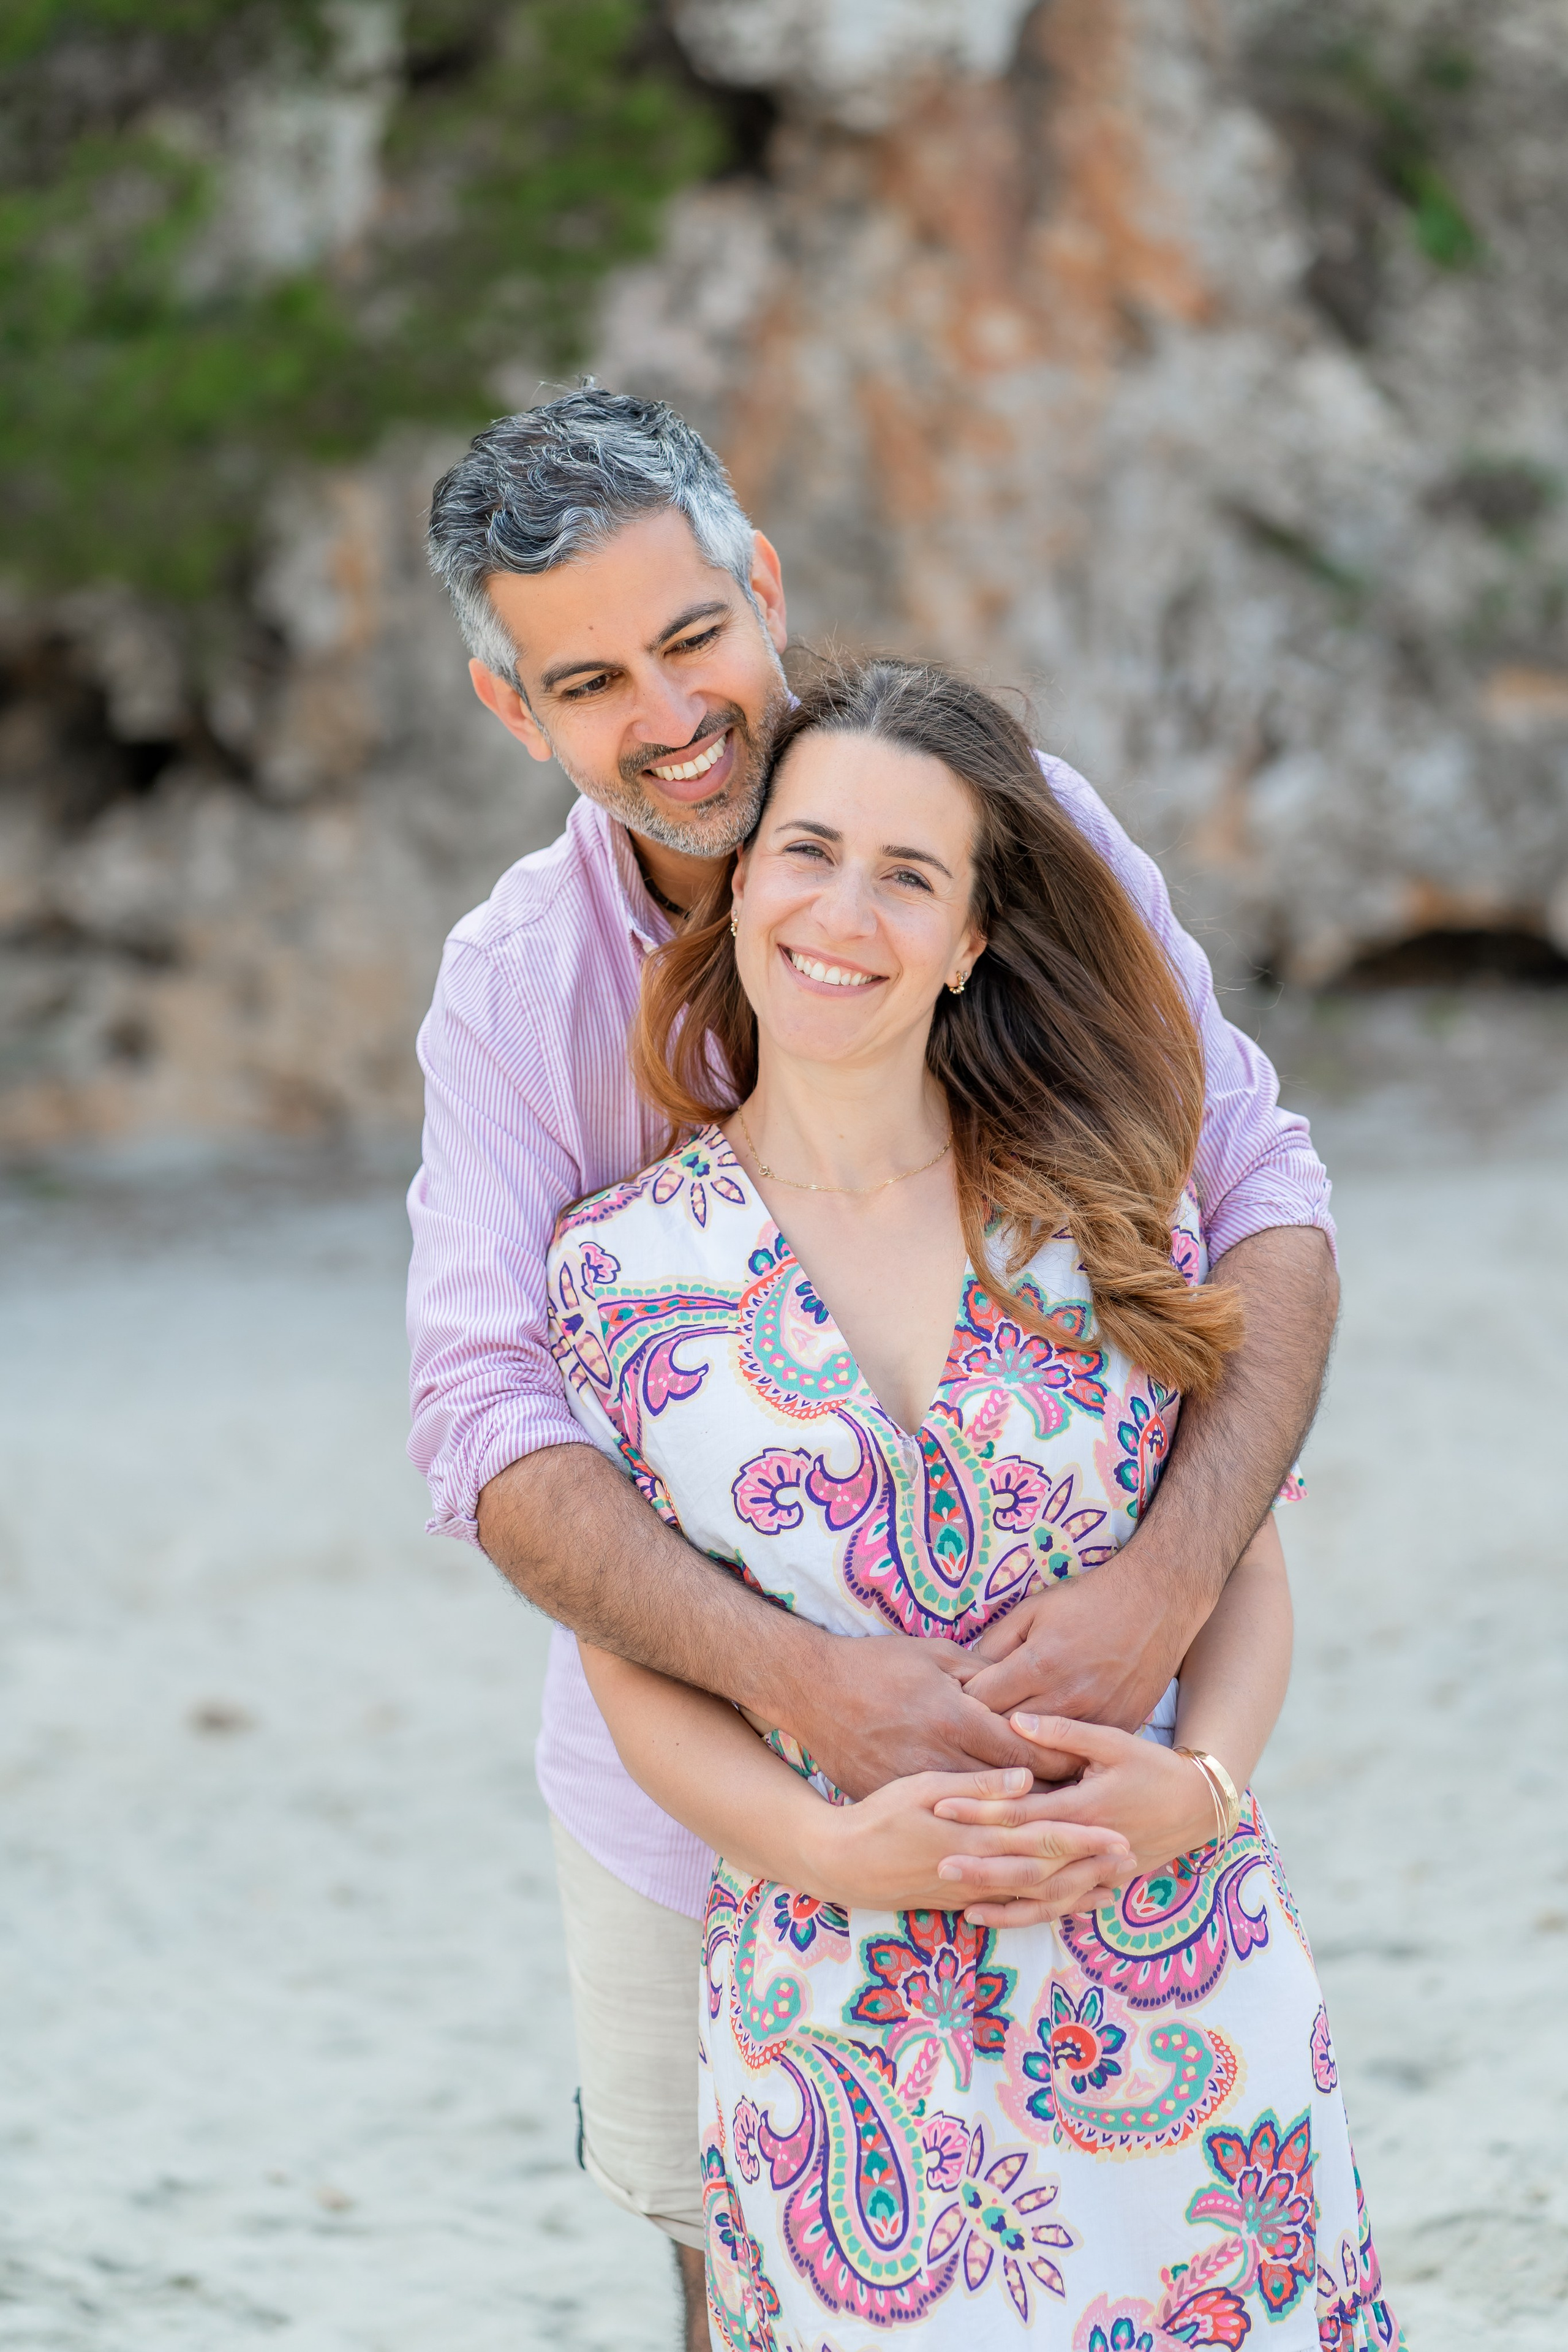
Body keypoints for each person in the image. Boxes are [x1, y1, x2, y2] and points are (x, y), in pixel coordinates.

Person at [409, 388, 1340, 2347]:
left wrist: (1164, 1601)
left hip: (1103, 1802)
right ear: (520, 716)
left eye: (688, 640)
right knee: (735, 2274)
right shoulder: (520, 1000)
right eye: (589, 682)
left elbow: (1253, 1198)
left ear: (760, 586)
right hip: (708, 1821)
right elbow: (495, 1433)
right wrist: (808, 1701)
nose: (666, 718)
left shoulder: (1025, 835)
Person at [548, 654, 1401, 2351]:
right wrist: (819, 1845)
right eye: (805, 851)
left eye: (909, 874)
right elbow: (630, 1657)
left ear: (970, 942)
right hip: (832, 2011)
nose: (842, 910)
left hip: (1179, 1966)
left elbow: (1235, 1554)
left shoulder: (1106, 1202)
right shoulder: (617, 1277)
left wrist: (1207, 1789)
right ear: (741, 891)